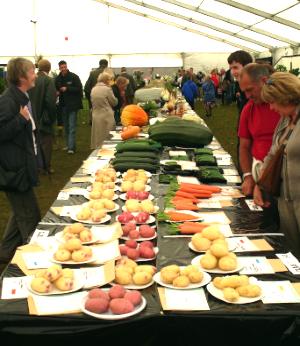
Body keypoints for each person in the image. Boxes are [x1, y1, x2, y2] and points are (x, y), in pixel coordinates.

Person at [253, 72, 300, 257]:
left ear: (285, 96)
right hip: (285, 203)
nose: (271, 107)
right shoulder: (285, 121)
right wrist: (259, 183)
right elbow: (273, 154)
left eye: (272, 101)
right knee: (293, 256)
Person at [0, 57, 41, 263]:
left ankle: (5, 253)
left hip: (21, 168)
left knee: (20, 214)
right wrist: (20, 119)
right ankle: (33, 261)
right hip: (14, 171)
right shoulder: (8, 100)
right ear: (22, 76)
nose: (35, 75)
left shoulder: (22, 96)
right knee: (30, 217)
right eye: (32, 71)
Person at [238, 63, 280, 196]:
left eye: (250, 90)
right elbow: (244, 146)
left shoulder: (286, 106)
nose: (247, 96)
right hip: (260, 179)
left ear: (264, 81)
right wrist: (248, 176)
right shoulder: (248, 109)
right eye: (244, 91)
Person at [29, 59, 57, 173]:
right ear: (49, 68)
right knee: (46, 143)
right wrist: (51, 118)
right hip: (44, 118)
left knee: (34, 142)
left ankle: (37, 166)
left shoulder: (32, 79)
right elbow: (50, 102)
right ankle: (46, 167)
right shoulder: (48, 80)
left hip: (31, 116)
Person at [55, 61, 82, 154]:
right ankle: (68, 145)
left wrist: (67, 88)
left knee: (72, 127)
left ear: (67, 67)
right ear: (59, 68)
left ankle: (71, 148)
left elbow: (79, 88)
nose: (63, 69)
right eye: (62, 67)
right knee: (66, 127)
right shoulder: (57, 79)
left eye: (64, 67)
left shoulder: (74, 77)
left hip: (73, 106)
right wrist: (57, 92)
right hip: (63, 106)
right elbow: (56, 89)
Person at [90, 72, 118, 149]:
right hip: (106, 115)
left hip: (96, 114)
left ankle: (97, 151)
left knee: (98, 136)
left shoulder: (93, 89)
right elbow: (114, 102)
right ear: (106, 80)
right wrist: (117, 99)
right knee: (107, 137)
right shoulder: (107, 89)